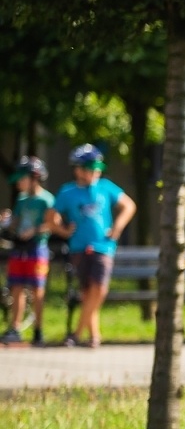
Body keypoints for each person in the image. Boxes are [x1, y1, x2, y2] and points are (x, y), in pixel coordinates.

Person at [47, 145, 136, 348]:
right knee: (87, 293)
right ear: (77, 169)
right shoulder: (67, 192)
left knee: (100, 289)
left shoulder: (106, 187)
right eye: (89, 168)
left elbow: (129, 206)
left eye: (97, 168)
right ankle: (94, 336)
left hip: (103, 246)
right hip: (79, 247)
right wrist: (62, 231)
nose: (94, 172)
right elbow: (51, 217)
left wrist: (117, 227)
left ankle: (77, 333)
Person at [3, 157, 54, 346]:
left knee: (37, 290)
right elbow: (16, 221)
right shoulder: (22, 199)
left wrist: (34, 230)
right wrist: (7, 222)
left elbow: (52, 223)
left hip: (37, 249)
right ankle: (14, 328)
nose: (18, 182)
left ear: (35, 177)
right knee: (16, 288)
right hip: (19, 248)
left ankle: (38, 330)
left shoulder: (47, 199)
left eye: (22, 178)